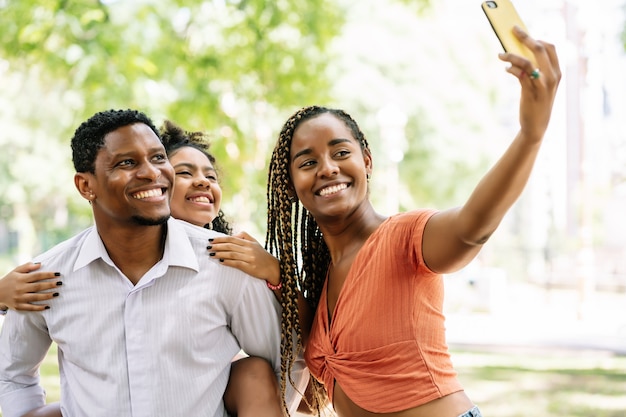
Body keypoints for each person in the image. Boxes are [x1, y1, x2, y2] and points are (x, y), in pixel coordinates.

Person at [259, 26, 561, 416]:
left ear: (366, 161)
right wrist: (277, 274)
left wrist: (530, 136)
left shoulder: (403, 236)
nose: (327, 169)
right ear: (292, 183)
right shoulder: (324, 279)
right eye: (308, 162)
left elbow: (473, 227)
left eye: (340, 152)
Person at [0, 109, 287, 417]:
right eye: (127, 162)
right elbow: (12, 374)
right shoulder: (45, 278)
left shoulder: (224, 265)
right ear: (86, 186)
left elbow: (282, 364)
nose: (151, 172)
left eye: (159, 158)